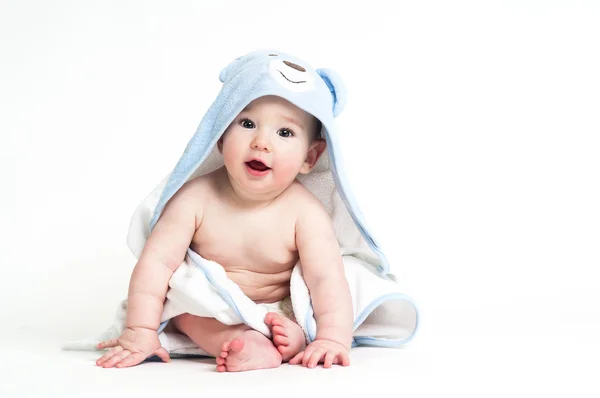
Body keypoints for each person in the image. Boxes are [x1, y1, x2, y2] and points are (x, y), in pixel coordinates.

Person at [94, 94, 354, 372]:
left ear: (310, 157)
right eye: (247, 123)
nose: (261, 142)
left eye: (284, 132)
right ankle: (246, 343)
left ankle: (296, 338)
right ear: (220, 137)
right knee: (185, 315)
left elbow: (326, 278)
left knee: (305, 314)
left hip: (279, 307)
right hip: (209, 307)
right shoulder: (194, 199)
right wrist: (141, 328)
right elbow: (157, 264)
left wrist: (331, 338)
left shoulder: (306, 213)